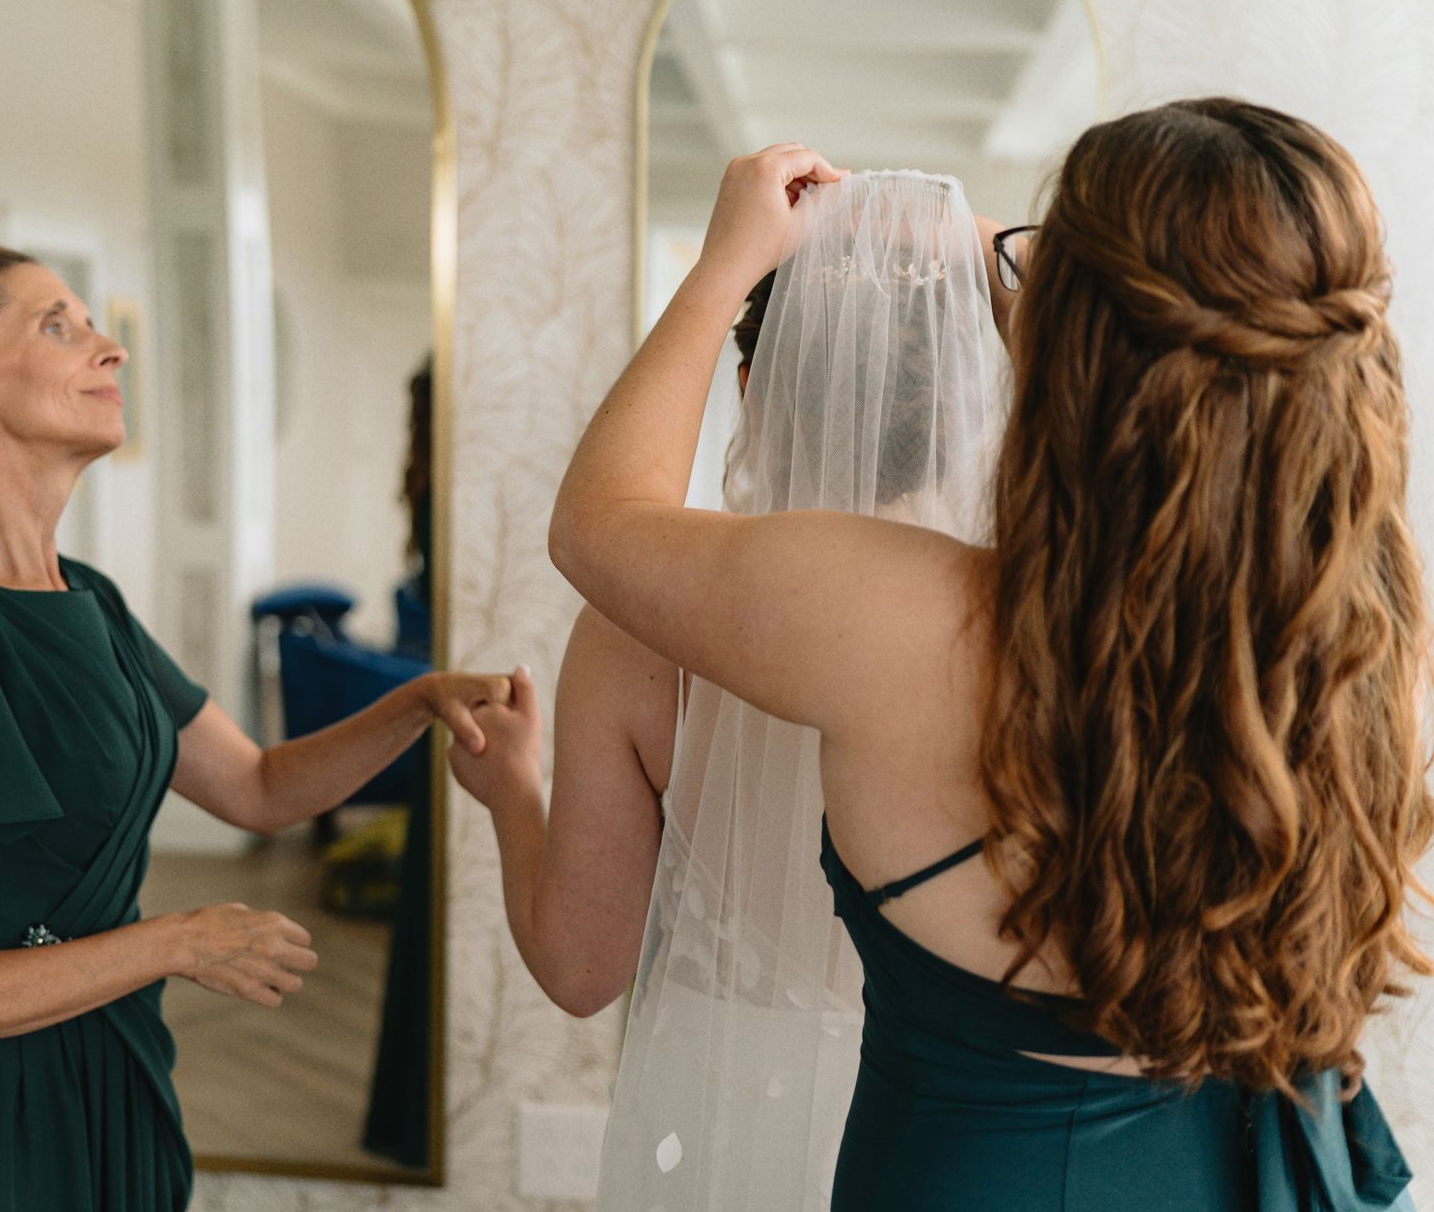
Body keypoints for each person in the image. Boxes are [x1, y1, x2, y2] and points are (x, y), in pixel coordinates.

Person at [455, 100, 1427, 1209]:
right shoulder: (1361, 638)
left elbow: (596, 523)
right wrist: (969, 248)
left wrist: (726, 263)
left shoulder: (911, 621)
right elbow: (1192, 376)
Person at [0, 242, 513, 1212]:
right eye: (57, 325)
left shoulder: (90, 598)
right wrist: (175, 941)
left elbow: (259, 785)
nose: (110, 348)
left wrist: (419, 700)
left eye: (91, 322)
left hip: (109, 1068)